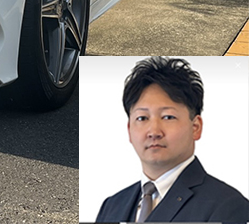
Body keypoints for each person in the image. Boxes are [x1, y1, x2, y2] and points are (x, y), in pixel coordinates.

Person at [96, 56, 249, 223]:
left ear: (195, 127)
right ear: (129, 130)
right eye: (142, 118)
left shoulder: (229, 207)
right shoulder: (112, 205)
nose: (154, 131)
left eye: (168, 117)